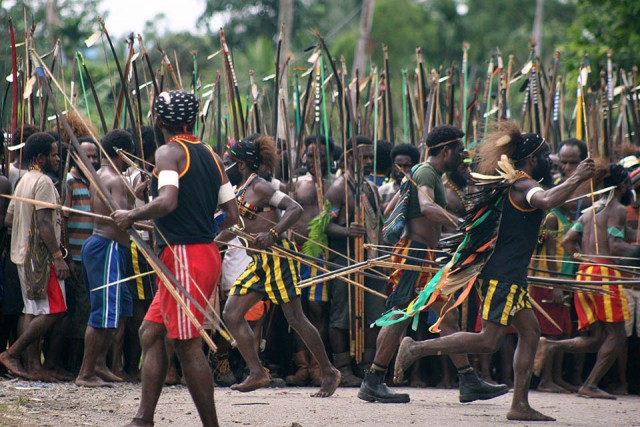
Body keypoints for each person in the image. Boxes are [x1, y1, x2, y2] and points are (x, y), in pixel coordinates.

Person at [391, 121, 595, 421]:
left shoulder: (517, 183)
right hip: (503, 275)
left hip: (511, 275)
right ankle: (416, 348)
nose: (550, 162)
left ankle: (519, 405)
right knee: (489, 340)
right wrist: (577, 176)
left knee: (530, 333)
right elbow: (550, 199)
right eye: (547, 156)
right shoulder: (524, 185)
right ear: (532, 159)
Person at [112, 90, 239, 427]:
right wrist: (203, 232)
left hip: (185, 256)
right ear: (192, 119)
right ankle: (144, 418)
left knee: (186, 345)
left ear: (159, 121)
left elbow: (167, 201)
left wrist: (131, 214)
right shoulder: (211, 154)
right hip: (200, 254)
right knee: (150, 334)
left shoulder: (168, 152)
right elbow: (233, 213)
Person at [359, 125, 507, 404]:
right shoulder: (426, 171)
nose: (463, 156)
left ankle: (468, 380)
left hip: (425, 256)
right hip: (414, 255)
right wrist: (462, 225)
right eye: (459, 151)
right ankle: (373, 380)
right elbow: (426, 208)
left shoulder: (431, 174)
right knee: (400, 315)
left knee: (446, 315)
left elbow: (403, 209)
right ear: (446, 150)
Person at [221, 134, 341, 397]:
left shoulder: (260, 187)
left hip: (278, 257)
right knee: (231, 313)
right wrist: (209, 242)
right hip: (259, 263)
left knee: (295, 318)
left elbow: (294, 208)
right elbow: (234, 228)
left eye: (228, 160)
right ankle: (256, 372)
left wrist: (273, 234)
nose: (224, 163)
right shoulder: (236, 191)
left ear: (241, 164)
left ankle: (329, 371)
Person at [534, 164, 634, 400]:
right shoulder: (617, 209)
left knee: (597, 338)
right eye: (628, 183)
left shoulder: (588, 211)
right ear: (621, 186)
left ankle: (549, 345)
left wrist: (584, 259)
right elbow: (616, 244)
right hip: (604, 276)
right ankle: (590, 384)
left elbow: (568, 242)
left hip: (585, 273)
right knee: (617, 336)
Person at [0, 132, 70, 381]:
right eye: (53, 154)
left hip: (22, 253)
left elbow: (9, 218)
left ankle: (32, 367)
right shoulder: (43, 183)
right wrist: (57, 256)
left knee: (31, 310)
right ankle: (13, 353)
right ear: (40, 157)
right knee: (54, 310)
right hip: (39, 257)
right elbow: (44, 223)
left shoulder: (24, 181)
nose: (58, 158)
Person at [324, 135, 387, 386]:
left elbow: (379, 224)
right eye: (364, 157)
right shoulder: (339, 188)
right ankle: (343, 369)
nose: (370, 161)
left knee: (374, 314)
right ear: (349, 158)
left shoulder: (371, 188)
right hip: (345, 260)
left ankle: (367, 368)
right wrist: (346, 231)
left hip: (370, 260)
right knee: (341, 316)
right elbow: (323, 227)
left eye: (371, 157)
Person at [75, 130, 134, 387]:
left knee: (117, 308)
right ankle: (85, 373)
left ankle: (99, 364)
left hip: (106, 247)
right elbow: (123, 219)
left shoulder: (101, 175)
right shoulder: (116, 180)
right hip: (107, 247)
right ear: (121, 153)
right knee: (103, 311)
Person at [285, 134, 335, 387]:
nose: (313, 160)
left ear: (329, 159)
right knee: (296, 309)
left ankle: (318, 365)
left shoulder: (334, 186)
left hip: (319, 252)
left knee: (317, 309)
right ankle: (302, 365)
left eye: (320, 156)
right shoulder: (296, 185)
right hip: (294, 251)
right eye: (309, 155)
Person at [62, 137, 100, 372]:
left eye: (95, 156)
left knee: (86, 311)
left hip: (90, 258)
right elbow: (63, 221)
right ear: (75, 156)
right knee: (80, 311)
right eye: (88, 156)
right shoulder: (69, 181)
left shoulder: (94, 182)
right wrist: (67, 257)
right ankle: (73, 365)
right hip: (76, 257)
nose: (93, 160)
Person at [528, 203, 575, 393]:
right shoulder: (552, 218)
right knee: (550, 331)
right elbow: (550, 252)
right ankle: (545, 380)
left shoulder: (567, 217)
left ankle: (556, 377)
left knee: (562, 331)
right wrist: (555, 284)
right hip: (547, 281)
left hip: (563, 280)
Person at [378, 143, 421, 212]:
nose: (401, 170)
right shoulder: (383, 191)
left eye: (406, 166)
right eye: (398, 166)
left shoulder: (420, 190)